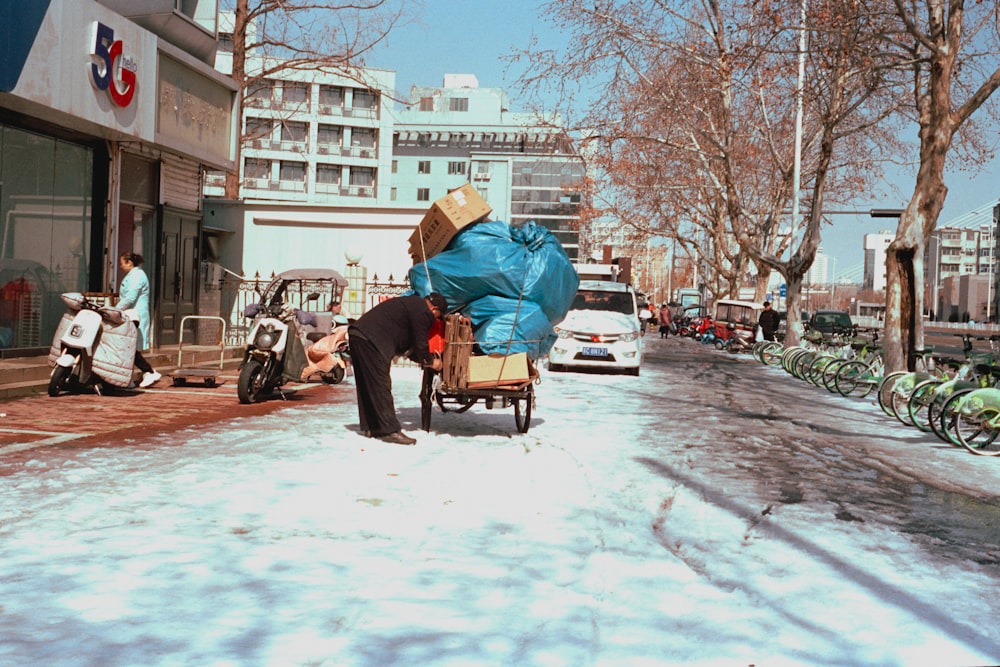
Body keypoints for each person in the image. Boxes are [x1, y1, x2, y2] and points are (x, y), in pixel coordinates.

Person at [348, 292, 447, 445]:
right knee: (381, 384)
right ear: (434, 309)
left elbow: (412, 346)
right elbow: (420, 344)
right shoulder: (423, 312)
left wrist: (423, 358)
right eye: (437, 316)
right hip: (372, 340)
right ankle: (389, 431)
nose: (435, 319)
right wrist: (431, 362)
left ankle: (371, 427)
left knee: (367, 384)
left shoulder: (413, 304)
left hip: (359, 335)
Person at [116, 251, 161, 388]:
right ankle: (131, 377)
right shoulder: (135, 275)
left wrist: (115, 310)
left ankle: (148, 371)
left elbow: (130, 297)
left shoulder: (137, 276)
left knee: (129, 347)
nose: (120, 266)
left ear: (129, 262)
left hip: (135, 315)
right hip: (131, 314)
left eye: (122, 263)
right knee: (128, 347)